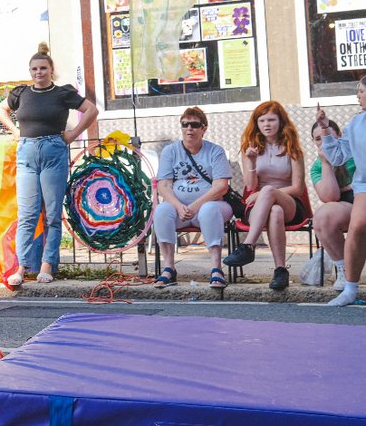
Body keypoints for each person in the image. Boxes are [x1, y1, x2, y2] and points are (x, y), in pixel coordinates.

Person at [0, 43, 97, 285]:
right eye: (34, 69)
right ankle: (21, 268)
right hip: (27, 152)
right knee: (28, 214)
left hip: (53, 151)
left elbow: (91, 110)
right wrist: (14, 131)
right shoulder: (21, 93)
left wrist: (72, 135)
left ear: (51, 70)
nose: (38, 72)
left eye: (42, 68)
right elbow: (1, 109)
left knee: (52, 214)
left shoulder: (62, 93)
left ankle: (47, 265)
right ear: (30, 71)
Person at [223, 101, 306, 290]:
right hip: (260, 207)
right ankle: (280, 271)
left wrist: (266, 192)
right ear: (256, 123)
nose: (267, 124)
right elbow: (251, 186)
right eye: (262, 120)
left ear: (281, 122)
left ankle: (248, 245)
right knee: (274, 211)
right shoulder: (250, 149)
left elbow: (297, 188)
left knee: (270, 193)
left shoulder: (292, 149)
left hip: (290, 203)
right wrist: (251, 161)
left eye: (271, 120)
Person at [150, 107, 234, 291]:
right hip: (180, 210)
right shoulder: (170, 151)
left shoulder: (215, 151)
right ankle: (169, 268)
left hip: (213, 206)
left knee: (209, 209)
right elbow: (163, 185)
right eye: (185, 124)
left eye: (195, 125)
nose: (189, 129)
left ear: (204, 128)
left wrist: (194, 206)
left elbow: (221, 187)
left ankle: (216, 269)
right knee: (162, 210)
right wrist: (179, 206)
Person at [317, 86, 366, 306]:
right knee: (357, 227)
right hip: (364, 185)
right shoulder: (356, 124)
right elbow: (337, 157)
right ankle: (350, 288)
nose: (358, 95)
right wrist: (326, 129)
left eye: (363, 91)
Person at [310, 118, 355, 289]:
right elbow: (330, 196)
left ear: (339, 135)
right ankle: (345, 271)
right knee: (322, 217)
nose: (322, 142)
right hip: (346, 208)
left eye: (327, 135)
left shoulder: (355, 152)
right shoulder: (317, 167)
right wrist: (326, 162)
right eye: (317, 138)